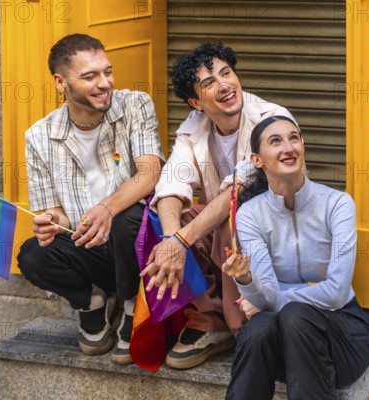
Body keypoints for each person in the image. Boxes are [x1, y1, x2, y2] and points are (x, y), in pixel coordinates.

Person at [142, 42, 297, 370]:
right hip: (230, 236)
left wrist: (182, 241)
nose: (225, 84)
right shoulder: (194, 126)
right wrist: (173, 239)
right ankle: (209, 320)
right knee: (162, 216)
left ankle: (240, 324)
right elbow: (172, 182)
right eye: (209, 82)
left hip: (281, 236)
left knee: (236, 212)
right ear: (196, 102)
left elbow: (237, 188)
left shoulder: (271, 120)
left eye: (227, 73)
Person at [16, 33, 164, 365]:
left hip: (137, 247)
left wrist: (106, 208)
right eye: (90, 76)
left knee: (129, 217)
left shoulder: (134, 105)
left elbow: (150, 173)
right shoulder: (40, 136)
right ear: (61, 82)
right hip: (89, 247)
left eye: (107, 71)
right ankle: (92, 302)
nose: (104, 83)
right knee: (32, 255)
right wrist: (52, 223)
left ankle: (130, 304)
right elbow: (57, 212)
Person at [221, 115, 369, 400]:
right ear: (257, 159)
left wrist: (269, 298)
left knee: (290, 314)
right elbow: (264, 297)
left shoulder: (337, 204)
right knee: (258, 330)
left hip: (343, 337)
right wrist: (247, 281)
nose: (289, 147)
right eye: (276, 141)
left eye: (294, 138)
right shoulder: (250, 214)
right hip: (285, 347)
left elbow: (336, 292)